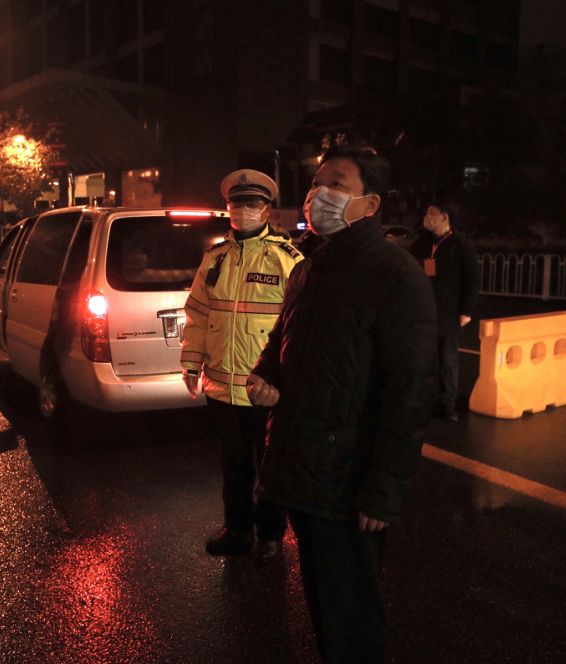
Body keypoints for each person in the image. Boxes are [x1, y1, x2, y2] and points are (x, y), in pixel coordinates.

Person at [246, 145, 436, 663]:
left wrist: (383, 491)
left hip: (350, 485)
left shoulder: (395, 275)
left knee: (352, 614)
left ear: (370, 204)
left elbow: (411, 391)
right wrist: (264, 375)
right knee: (322, 603)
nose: (317, 194)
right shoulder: (309, 270)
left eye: (337, 183)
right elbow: (282, 343)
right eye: (315, 183)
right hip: (303, 469)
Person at [181, 169, 303, 559]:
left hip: (265, 389)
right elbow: (198, 314)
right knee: (234, 467)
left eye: (252, 203)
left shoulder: (289, 260)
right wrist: (190, 362)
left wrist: (288, 380)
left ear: (267, 209)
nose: (243, 209)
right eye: (237, 203)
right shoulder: (215, 258)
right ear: (227, 207)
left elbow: (299, 327)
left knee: (270, 470)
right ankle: (238, 530)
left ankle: (269, 535)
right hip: (220, 388)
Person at [411, 199, 480, 421]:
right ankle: (424, 402)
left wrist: (466, 310)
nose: (426, 219)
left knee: (447, 360)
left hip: (449, 314)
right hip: (423, 312)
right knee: (423, 359)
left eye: (432, 214)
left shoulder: (461, 245)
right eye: (426, 215)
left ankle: (447, 404)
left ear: (444, 217)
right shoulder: (421, 244)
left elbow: (472, 280)